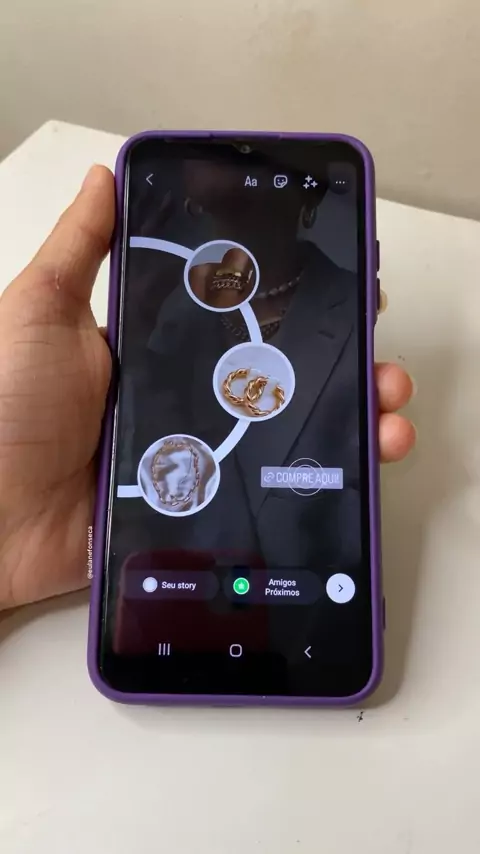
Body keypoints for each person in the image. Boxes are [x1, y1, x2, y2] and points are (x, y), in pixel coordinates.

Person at [0, 165, 415, 613]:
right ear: (191, 195)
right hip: (172, 602)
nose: (241, 162)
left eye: (254, 163)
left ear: (309, 197)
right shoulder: (161, 307)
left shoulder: (348, 302)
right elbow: (153, 457)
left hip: (310, 612)